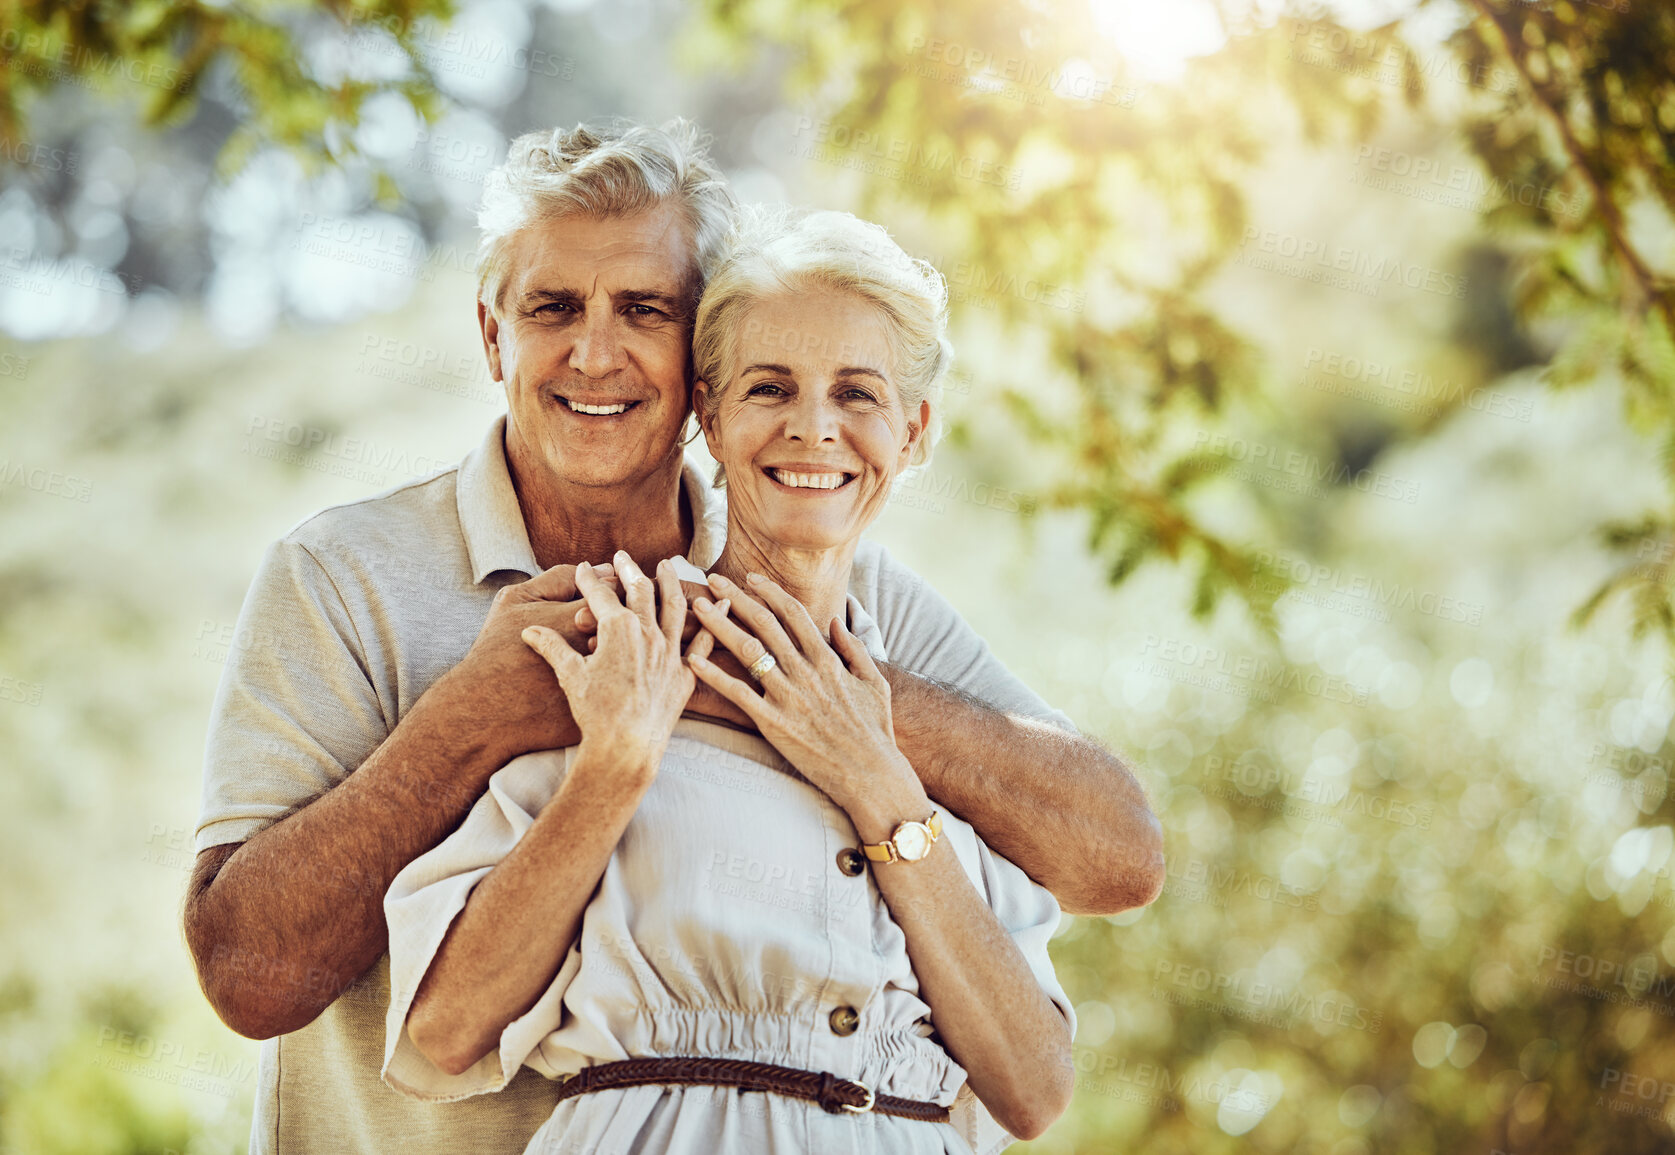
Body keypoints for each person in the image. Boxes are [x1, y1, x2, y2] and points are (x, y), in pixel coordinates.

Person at [184, 119, 1160, 1154]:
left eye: (643, 310)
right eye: (552, 308)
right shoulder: (347, 576)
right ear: (492, 337)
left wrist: (821, 694)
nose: (595, 353)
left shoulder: (851, 595)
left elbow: (1116, 859)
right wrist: (472, 722)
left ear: (695, 364)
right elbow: (250, 979)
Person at [382, 206, 1074, 1154]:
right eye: (770, 388)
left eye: (858, 396)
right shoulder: (616, 650)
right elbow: (446, 1026)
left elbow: (1034, 1092)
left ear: (911, 433)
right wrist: (615, 766)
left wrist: (878, 785)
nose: (812, 428)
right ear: (708, 412)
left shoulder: (933, 732)